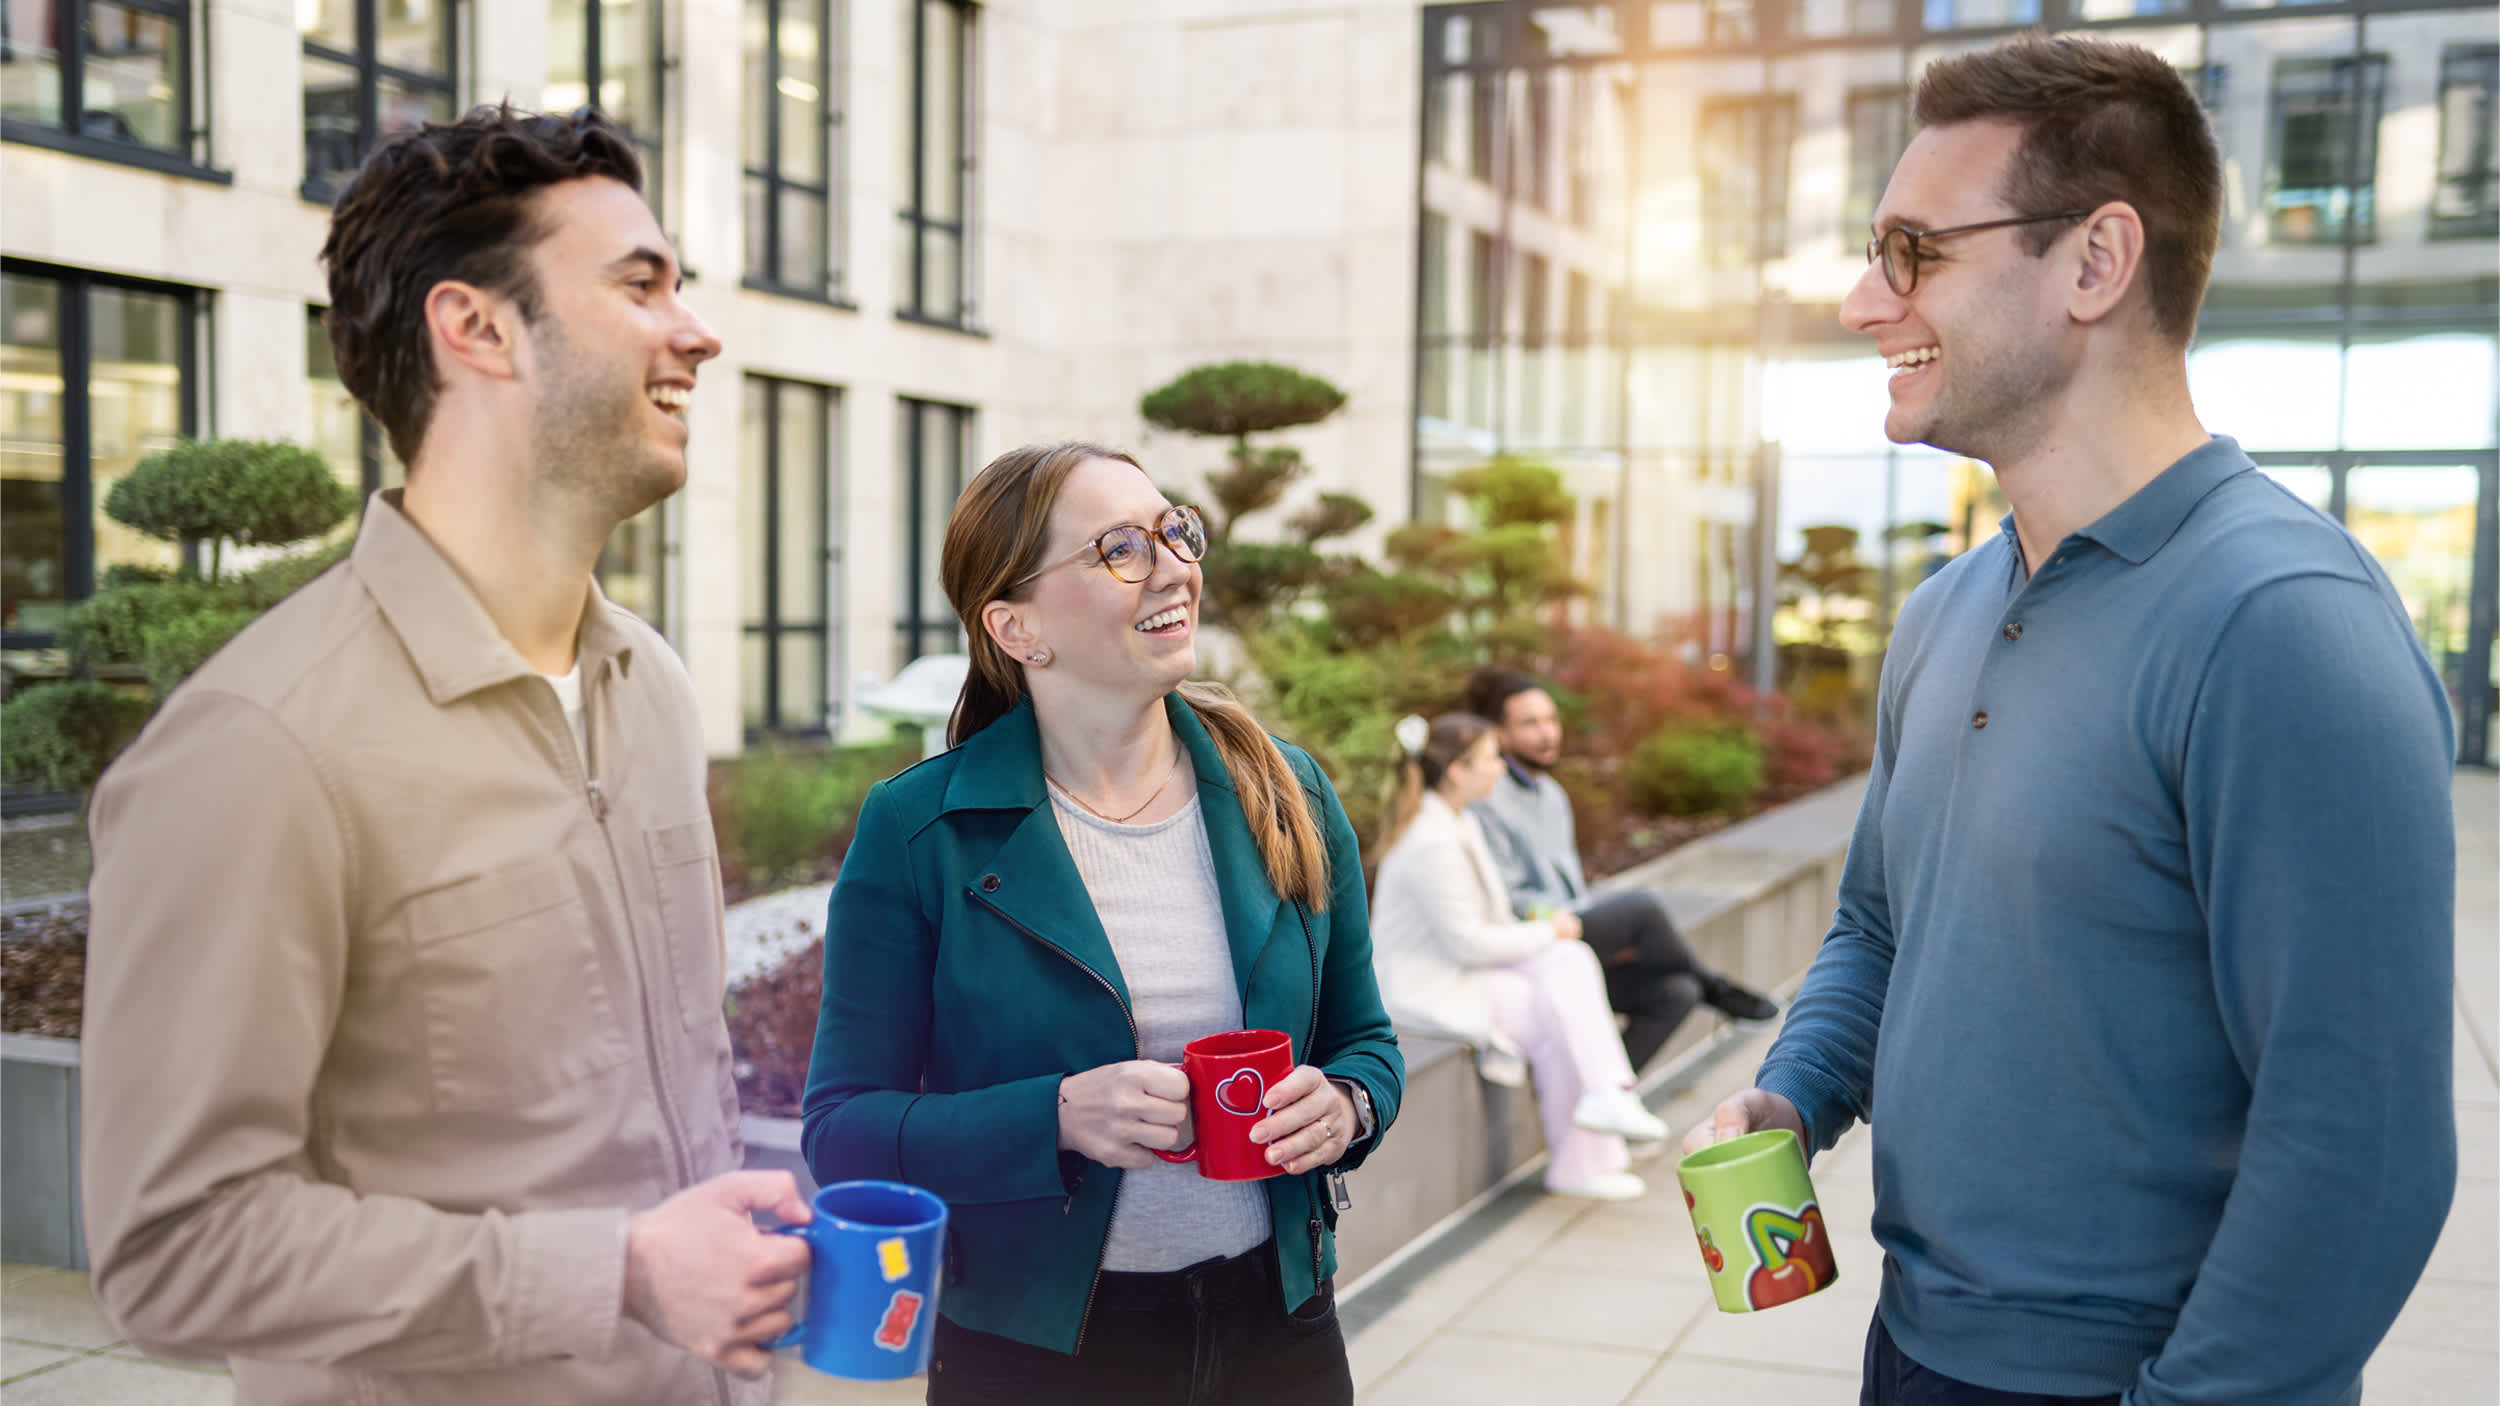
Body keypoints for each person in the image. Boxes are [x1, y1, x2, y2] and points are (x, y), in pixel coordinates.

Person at [1685, 35, 2456, 1406]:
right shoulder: (1941, 613)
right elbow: (1879, 923)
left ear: (2096, 263)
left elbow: (2365, 1147)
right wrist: (1796, 1093)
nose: (1867, 301)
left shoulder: (2287, 624)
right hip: (1914, 1348)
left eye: (1913, 249)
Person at [79, 106, 813, 1406]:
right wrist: (621, 1271)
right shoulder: (257, 748)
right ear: (475, 328)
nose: (695, 332)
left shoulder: (654, 693)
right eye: (641, 286)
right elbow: (172, 1245)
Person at [800, 442, 1405, 1404]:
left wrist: (1347, 1105)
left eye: (1176, 530)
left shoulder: (1285, 791)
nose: (1175, 567)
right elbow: (842, 1131)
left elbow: (1365, 1041)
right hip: (1042, 1353)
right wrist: (1056, 1117)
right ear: (1017, 626)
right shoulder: (921, 830)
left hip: (1281, 1327)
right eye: (1120, 548)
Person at [1370, 712, 1670, 1201]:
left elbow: (1484, 931)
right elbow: (1467, 942)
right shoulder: (1432, 841)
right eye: (1492, 758)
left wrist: (1550, 937)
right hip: (1428, 984)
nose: (1501, 769)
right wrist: (1545, 930)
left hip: (1461, 965)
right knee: (1546, 1007)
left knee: (1569, 960)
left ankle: (1605, 1094)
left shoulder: (1456, 819)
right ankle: (1583, 1157)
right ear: (1456, 772)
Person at [1462, 666, 1779, 1069]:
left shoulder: (1552, 795)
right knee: (1641, 908)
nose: (1547, 734)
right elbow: (1507, 898)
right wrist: (1573, 920)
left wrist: (1601, 928)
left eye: (1551, 720)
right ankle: (1716, 987)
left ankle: (1607, 1101)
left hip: (1573, 933)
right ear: (1499, 734)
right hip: (1531, 940)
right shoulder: (1487, 800)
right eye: (1530, 724)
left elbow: (1571, 885)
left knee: (1677, 992)